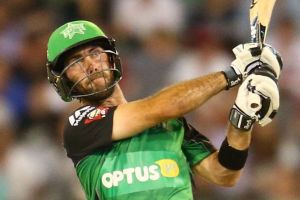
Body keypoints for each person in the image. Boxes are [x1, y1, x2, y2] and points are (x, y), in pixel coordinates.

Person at [46, 20, 282, 200]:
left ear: (110, 58)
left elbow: (224, 173)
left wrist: (241, 120)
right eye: (76, 61)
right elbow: (160, 108)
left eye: (94, 53)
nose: (90, 65)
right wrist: (234, 73)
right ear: (63, 79)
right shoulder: (78, 125)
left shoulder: (171, 122)